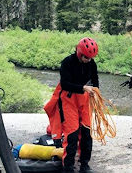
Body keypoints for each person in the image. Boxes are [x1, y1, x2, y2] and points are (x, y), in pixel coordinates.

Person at [44, 37, 99, 173]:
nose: (89, 60)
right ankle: (68, 167)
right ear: (80, 53)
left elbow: (95, 79)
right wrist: (83, 88)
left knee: (87, 132)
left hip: (84, 99)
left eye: (91, 58)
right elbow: (65, 84)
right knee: (72, 134)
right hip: (68, 99)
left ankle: (84, 164)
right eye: (86, 57)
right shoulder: (67, 62)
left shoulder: (91, 63)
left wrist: (95, 91)